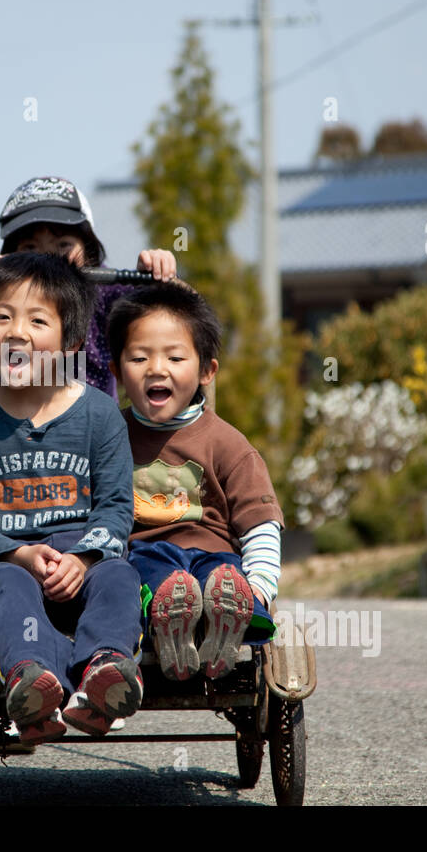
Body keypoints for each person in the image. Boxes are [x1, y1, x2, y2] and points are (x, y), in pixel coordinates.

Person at [0, 252, 144, 744]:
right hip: (4, 561)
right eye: (2, 317)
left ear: (71, 341)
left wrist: (85, 554)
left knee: (120, 575)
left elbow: (117, 505)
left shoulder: (99, 414)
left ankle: (105, 669)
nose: (16, 331)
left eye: (37, 320)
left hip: (84, 557)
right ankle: (32, 680)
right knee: (11, 584)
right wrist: (19, 553)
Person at [106, 282, 285, 681]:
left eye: (174, 356)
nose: (156, 368)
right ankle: (172, 620)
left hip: (215, 554)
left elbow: (259, 522)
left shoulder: (228, 443)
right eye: (139, 357)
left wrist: (259, 585)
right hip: (144, 553)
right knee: (153, 575)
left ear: (206, 370)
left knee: (225, 579)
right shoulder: (109, 438)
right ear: (117, 370)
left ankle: (234, 616)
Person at [0, 175, 178, 400]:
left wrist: (150, 279)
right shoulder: (4, 299)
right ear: (10, 259)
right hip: (21, 427)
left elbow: (151, 321)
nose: (50, 260)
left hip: (94, 430)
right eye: (30, 248)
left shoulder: (105, 292)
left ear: (89, 251)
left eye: (63, 245)